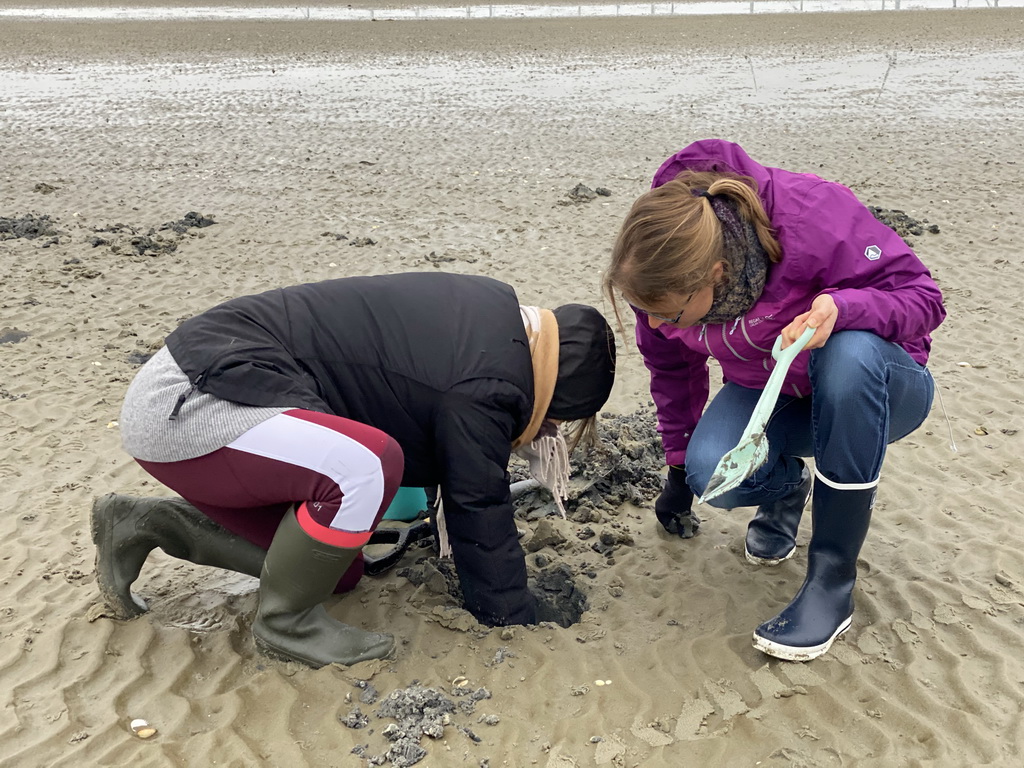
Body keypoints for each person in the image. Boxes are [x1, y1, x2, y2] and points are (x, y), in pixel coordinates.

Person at [93, 272, 616, 668]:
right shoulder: (490, 384)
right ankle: (284, 626)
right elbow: (478, 500)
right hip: (194, 399)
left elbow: (397, 389)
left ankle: (144, 524)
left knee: (337, 571)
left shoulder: (492, 312)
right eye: (556, 418)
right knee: (366, 466)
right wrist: (512, 610)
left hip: (192, 389)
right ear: (555, 388)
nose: (546, 430)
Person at [603, 139, 945, 661]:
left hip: (880, 391)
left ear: (715, 275)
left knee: (848, 354)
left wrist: (843, 307)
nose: (653, 324)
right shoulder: (656, 267)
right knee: (712, 472)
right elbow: (672, 371)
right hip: (774, 393)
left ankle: (832, 581)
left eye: (668, 314)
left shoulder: (812, 215)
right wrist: (677, 469)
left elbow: (924, 298)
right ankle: (788, 488)